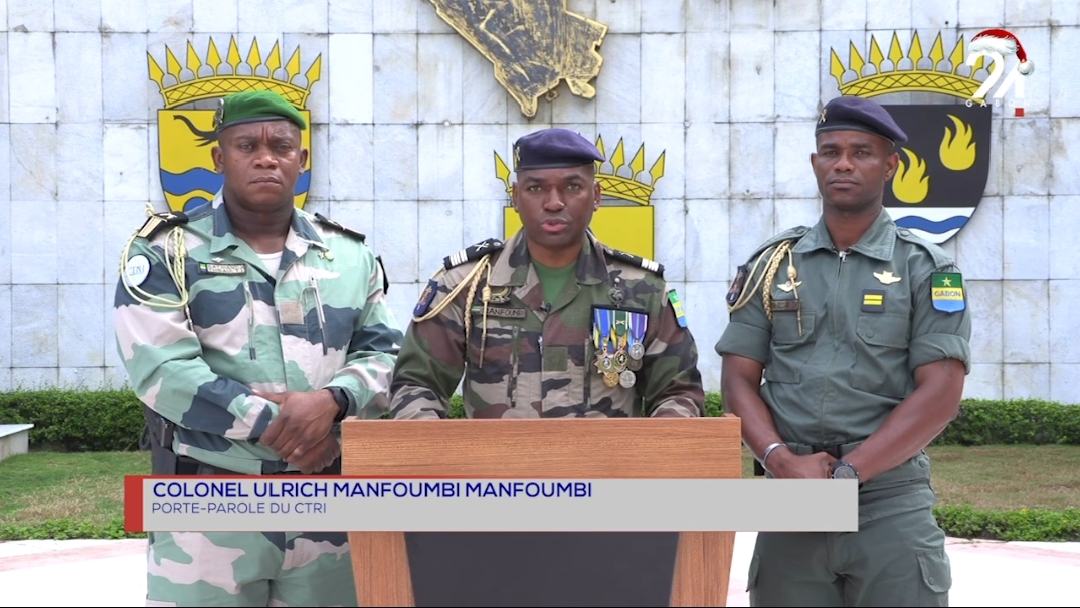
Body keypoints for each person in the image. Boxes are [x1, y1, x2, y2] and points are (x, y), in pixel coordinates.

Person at [113, 89, 404, 607]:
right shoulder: (165, 252)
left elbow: (385, 354)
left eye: (281, 146)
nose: (266, 158)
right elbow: (162, 369)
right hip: (210, 501)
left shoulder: (348, 255)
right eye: (247, 145)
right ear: (219, 157)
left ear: (302, 159)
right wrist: (293, 430)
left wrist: (333, 402)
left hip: (328, 501)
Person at [715, 95, 971, 607]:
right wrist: (779, 461)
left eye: (862, 152)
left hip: (888, 503)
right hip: (792, 498)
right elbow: (738, 378)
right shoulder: (772, 265)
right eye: (831, 152)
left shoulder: (926, 267)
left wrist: (849, 474)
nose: (844, 164)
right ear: (816, 163)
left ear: (890, 165)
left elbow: (941, 392)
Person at [380, 127, 704, 420]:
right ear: (516, 197)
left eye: (572, 187)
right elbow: (416, 385)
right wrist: (437, 451)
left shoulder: (642, 289)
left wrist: (659, 446)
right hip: (497, 467)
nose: (554, 203)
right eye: (536, 188)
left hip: (607, 466)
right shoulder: (466, 286)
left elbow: (679, 392)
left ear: (596, 196)